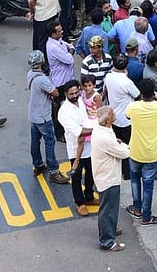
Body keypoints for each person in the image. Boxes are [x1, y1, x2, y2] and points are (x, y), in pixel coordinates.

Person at [125, 78, 157, 225]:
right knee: (148, 185)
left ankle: (137, 208)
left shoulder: (133, 107)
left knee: (135, 179)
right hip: (152, 152)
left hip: (135, 150)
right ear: (153, 93)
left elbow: (127, 116)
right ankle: (146, 216)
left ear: (141, 93)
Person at [91, 106, 130, 252]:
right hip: (108, 178)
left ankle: (110, 230)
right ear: (107, 119)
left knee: (108, 208)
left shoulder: (102, 130)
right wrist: (124, 145)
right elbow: (124, 153)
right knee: (108, 209)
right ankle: (107, 241)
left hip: (105, 175)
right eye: (112, 114)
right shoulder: (105, 137)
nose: (114, 115)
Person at [27, 50, 69, 184]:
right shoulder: (42, 79)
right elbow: (55, 93)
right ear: (41, 62)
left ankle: (38, 164)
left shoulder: (30, 74)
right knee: (49, 142)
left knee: (35, 141)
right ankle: (53, 171)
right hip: (43, 116)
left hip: (33, 114)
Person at [58, 79, 96, 216]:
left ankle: (89, 196)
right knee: (76, 177)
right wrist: (98, 128)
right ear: (65, 94)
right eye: (71, 94)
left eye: (76, 92)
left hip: (90, 146)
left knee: (91, 173)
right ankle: (80, 203)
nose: (74, 96)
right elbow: (79, 132)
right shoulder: (64, 112)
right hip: (75, 149)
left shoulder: (79, 101)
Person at [105, 54, 139, 180]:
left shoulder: (108, 77)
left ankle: (118, 170)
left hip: (114, 118)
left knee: (117, 144)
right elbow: (137, 94)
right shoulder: (126, 81)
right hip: (126, 119)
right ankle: (127, 172)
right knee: (127, 146)